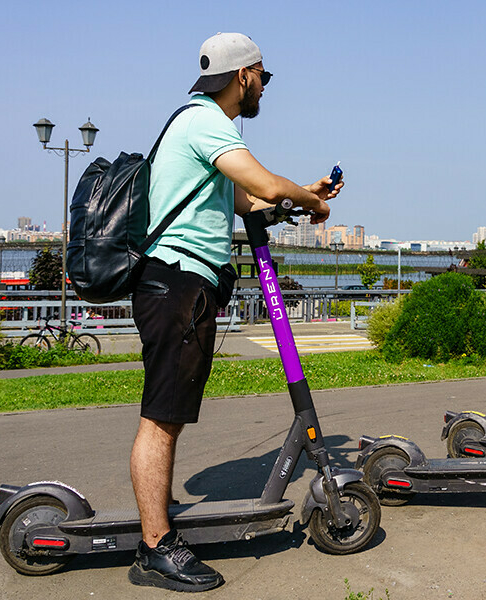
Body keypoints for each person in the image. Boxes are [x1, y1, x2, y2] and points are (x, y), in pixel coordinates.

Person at [127, 32, 339, 592]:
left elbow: (249, 198)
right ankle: (155, 547)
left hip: (181, 283)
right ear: (242, 75)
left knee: (168, 411)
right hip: (175, 281)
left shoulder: (199, 126)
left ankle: (158, 521)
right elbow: (265, 182)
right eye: (263, 77)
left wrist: (302, 193)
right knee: (162, 415)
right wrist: (309, 200)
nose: (263, 88)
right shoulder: (205, 121)